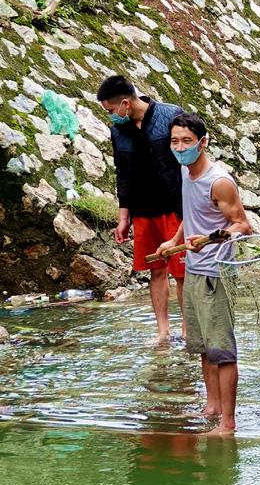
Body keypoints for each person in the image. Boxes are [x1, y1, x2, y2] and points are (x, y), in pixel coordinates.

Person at [155, 113, 251, 435]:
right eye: (175, 141)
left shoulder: (218, 182)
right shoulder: (185, 171)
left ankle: (228, 422)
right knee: (202, 348)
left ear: (202, 143)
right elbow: (193, 214)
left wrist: (208, 241)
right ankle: (211, 406)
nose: (180, 147)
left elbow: (242, 226)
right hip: (194, 271)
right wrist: (176, 240)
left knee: (222, 350)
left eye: (187, 141)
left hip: (216, 274)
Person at [97, 75, 186, 344]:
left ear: (125, 103)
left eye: (111, 111)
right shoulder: (118, 130)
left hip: (175, 207)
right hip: (143, 211)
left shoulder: (171, 116)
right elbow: (122, 175)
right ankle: (162, 331)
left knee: (182, 272)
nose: (112, 116)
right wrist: (123, 219)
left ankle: (187, 328)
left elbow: (189, 159)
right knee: (156, 270)